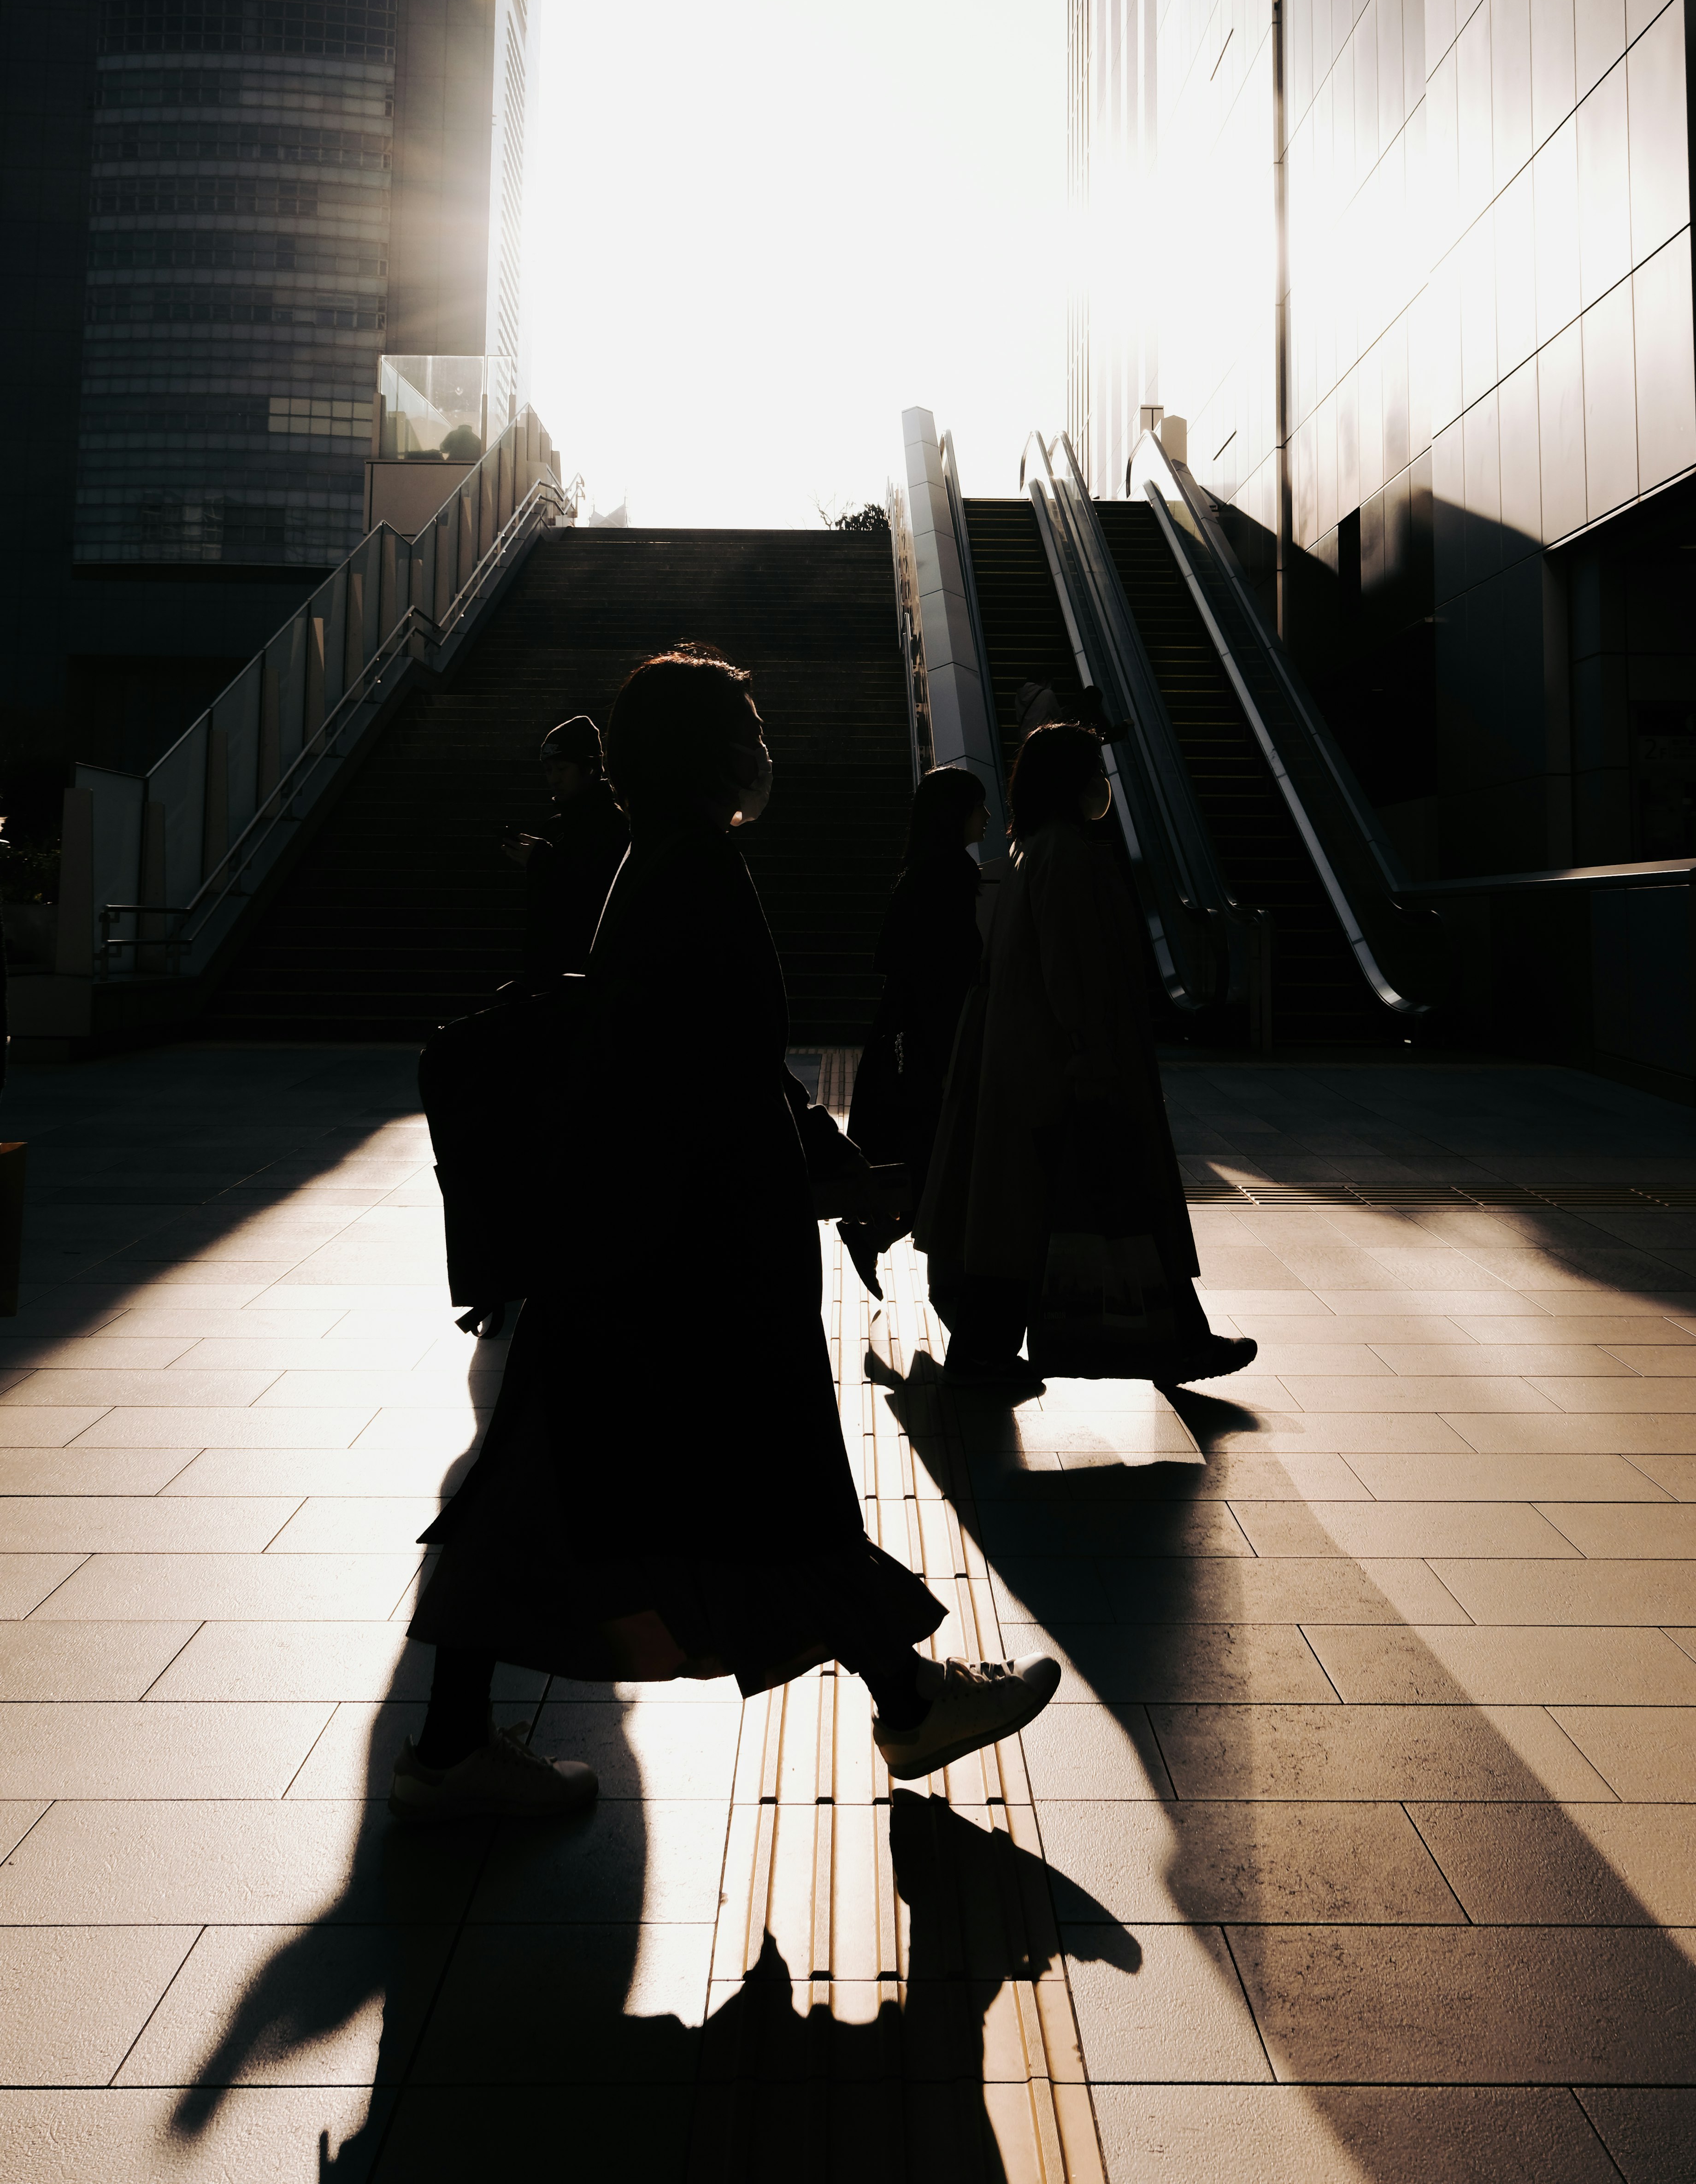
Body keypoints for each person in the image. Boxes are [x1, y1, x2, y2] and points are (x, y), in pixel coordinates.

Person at [392, 649, 1060, 1822]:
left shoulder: (665, 860)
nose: (764, 740)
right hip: (676, 1261)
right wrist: (820, 1173)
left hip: (631, 1249)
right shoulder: (692, 867)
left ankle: (452, 1747)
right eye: (746, 721)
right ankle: (909, 1698)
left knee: (563, 1498)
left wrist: (821, 1161)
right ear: (706, 748)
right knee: (758, 1486)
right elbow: (719, 1073)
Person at [917, 720, 1256, 1394]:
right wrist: (1093, 1059)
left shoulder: (1026, 853)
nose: (1102, 785)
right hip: (1067, 1066)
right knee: (1120, 1199)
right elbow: (1075, 968)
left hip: (1026, 1065)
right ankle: (1172, 1341)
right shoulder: (1069, 856)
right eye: (1093, 770)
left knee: (1020, 1216)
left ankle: (994, 1351)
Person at [838, 766, 988, 1299]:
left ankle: (874, 1230)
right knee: (933, 1151)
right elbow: (944, 972)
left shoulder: (924, 870)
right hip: (930, 1038)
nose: (988, 818)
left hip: (907, 1034)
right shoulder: (947, 875)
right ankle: (876, 1231)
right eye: (978, 807)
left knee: (920, 1148)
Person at [502, 714, 629, 988]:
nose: (553, 779)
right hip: (552, 973)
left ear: (591, 768)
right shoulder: (556, 827)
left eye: (562, 769)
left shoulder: (614, 823)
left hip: (585, 976)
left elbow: (599, 895)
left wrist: (544, 862)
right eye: (548, 771)